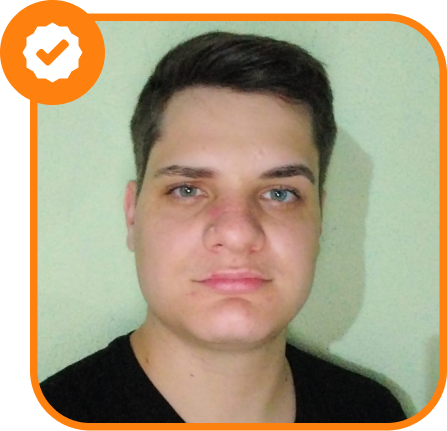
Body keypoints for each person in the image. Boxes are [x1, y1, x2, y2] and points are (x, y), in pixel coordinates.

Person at [39, 31, 406, 423]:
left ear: (320, 218)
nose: (237, 233)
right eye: (187, 190)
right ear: (133, 214)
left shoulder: (373, 414)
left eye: (280, 193)